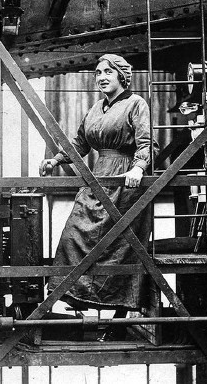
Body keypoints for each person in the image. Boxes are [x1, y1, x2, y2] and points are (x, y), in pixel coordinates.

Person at [40, 53, 158, 313]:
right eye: (98, 73)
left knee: (116, 244)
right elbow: (80, 143)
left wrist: (138, 167)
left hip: (125, 181)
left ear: (122, 76)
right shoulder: (95, 108)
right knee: (73, 234)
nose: (102, 77)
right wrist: (56, 160)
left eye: (108, 72)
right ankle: (76, 295)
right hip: (98, 177)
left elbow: (148, 143)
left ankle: (116, 302)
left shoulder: (136, 104)